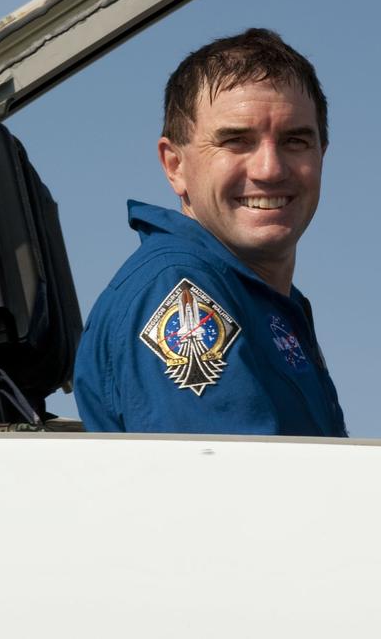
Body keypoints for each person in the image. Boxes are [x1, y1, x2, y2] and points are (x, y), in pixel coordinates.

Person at [73, 28, 347, 436]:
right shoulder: (179, 289)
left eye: (295, 141)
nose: (270, 169)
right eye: (236, 141)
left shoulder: (261, 301)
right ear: (175, 166)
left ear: (321, 156)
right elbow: (230, 492)